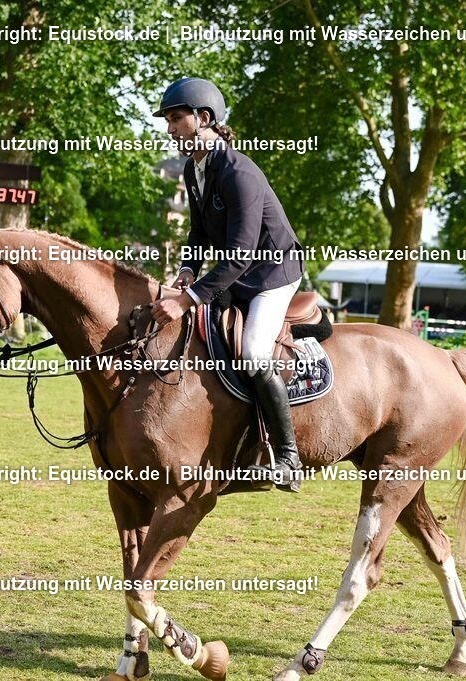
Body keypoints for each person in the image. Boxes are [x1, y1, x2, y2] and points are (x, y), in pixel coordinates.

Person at [149, 77, 305, 492]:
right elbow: (198, 232)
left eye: (176, 119)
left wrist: (187, 299)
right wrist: (188, 269)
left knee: (252, 352)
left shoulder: (239, 172)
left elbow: (240, 254)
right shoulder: (194, 168)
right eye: (167, 121)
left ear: (204, 118)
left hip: (272, 274)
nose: (170, 129)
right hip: (240, 272)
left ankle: (288, 457)